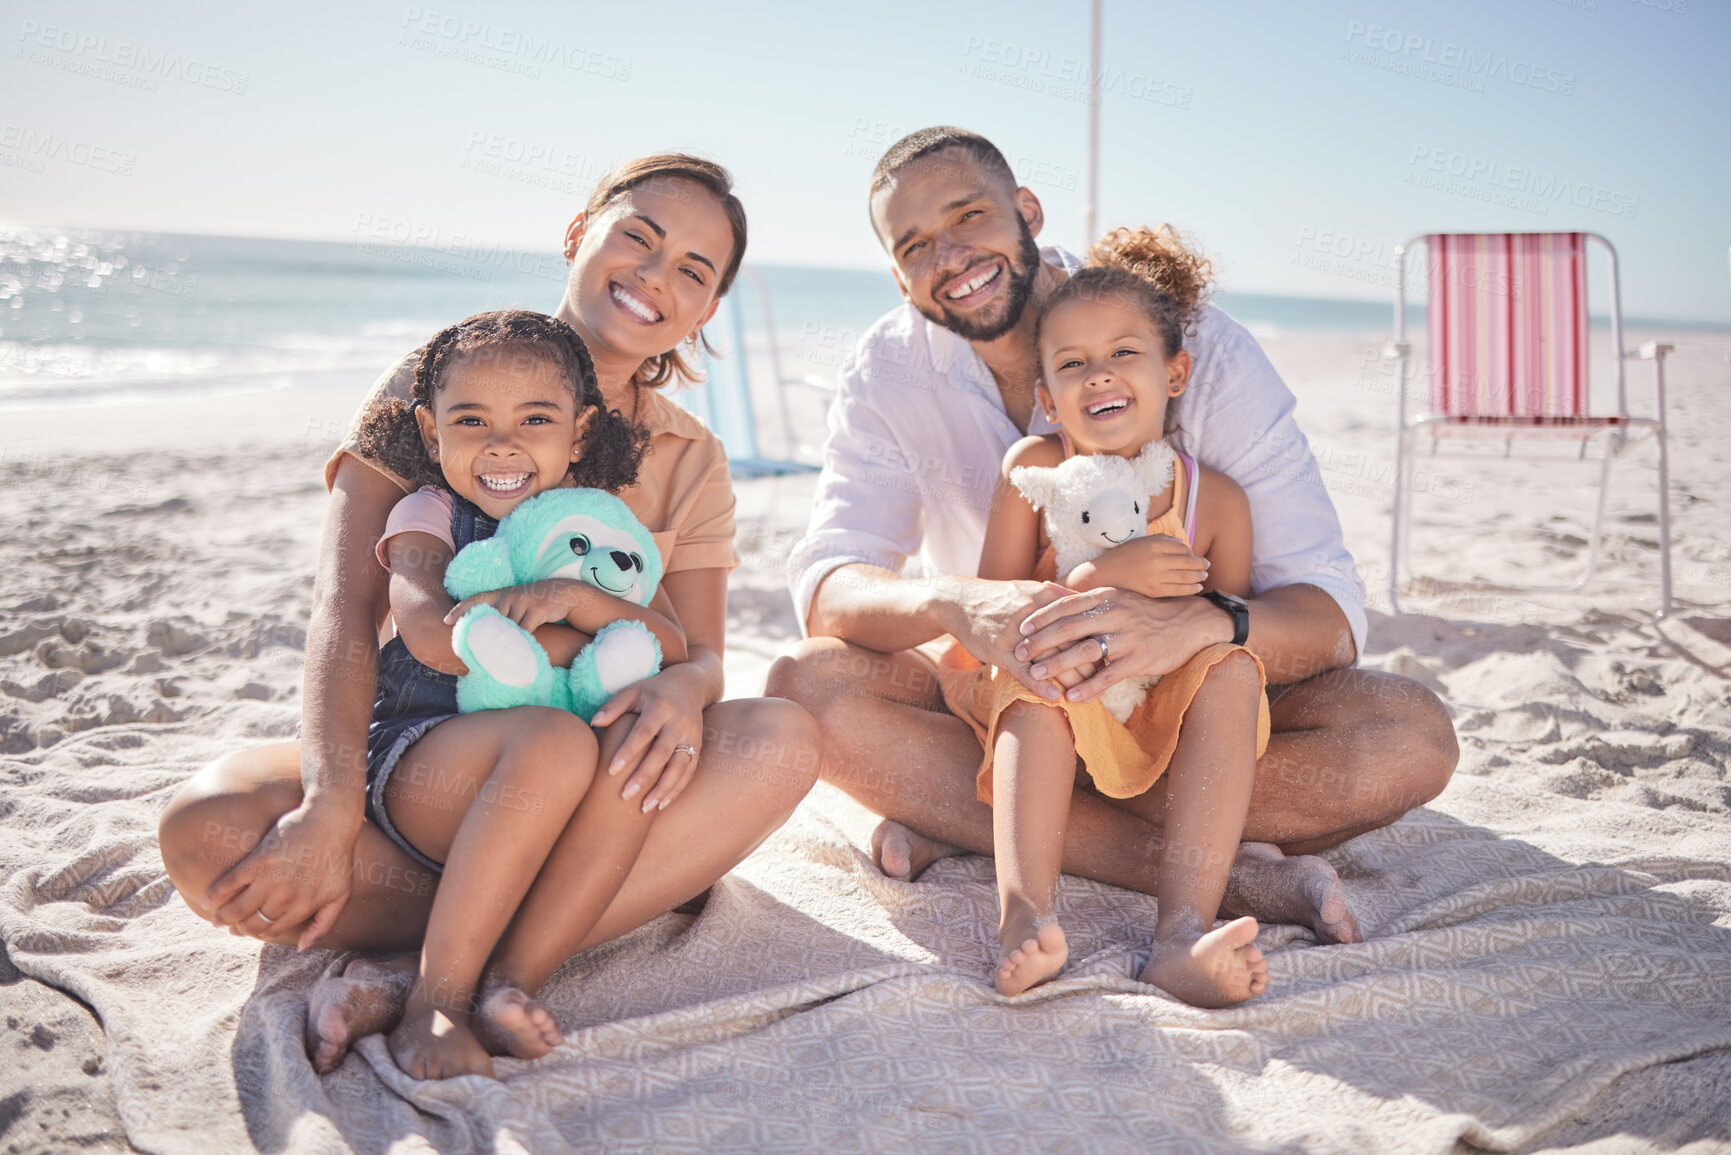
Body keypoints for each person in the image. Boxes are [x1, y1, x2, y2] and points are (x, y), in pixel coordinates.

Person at [157, 155, 821, 1075]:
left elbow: (697, 651)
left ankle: (439, 976)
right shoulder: (445, 379)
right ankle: (528, 919)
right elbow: (345, 610)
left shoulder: (689, 455)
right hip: (436, 760)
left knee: (781, 736)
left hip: (600, 786)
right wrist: (329, 805)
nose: (655, 275)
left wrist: (682, 687)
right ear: (576, 234)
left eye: (694, 271)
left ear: (707, 310)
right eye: (638, 235)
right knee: (208, 830)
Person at [769, 127, 1457, 942]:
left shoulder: (1192, 344)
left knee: (1411, 737)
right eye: (916, 245)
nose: (949, 256)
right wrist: (958, 603)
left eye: (969, 217)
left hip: (1182, 717)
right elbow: (830, 579)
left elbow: (1330, 612)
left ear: (1025, 210)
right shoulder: (887, 367)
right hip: (1017, 697)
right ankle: (1235, 878)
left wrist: (1199, 624)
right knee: (804, 687)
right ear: (896, 273)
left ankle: (967, 817)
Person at [353, 308, 690, 1078]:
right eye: (470, 420)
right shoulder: (429, 513)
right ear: (432, 436)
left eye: (534, 419)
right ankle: (431, 1005)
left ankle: (511, 984)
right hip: (425, 763)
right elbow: (431, 632)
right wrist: (550, 632)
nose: (501, 444)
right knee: (557, 737)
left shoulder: (593, 523)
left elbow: (669, 643)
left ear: (578, 433)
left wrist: (573, 601)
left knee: (625, 742)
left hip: (547, 785)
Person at [974, 226, 1268, 1004]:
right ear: (1045, 398)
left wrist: (1176, 616)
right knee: (1036, 674)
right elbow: (990, 609)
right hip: (1050, 697)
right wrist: (1096, 575)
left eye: (1123, 353)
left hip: (1153, 718)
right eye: (1070, 363)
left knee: (1234, 667)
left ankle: (1179, 935)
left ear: (1175, 373)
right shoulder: (1034, 470)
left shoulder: (1216, 500)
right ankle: (1024, 914)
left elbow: (1224, 623)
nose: (1096, 374)